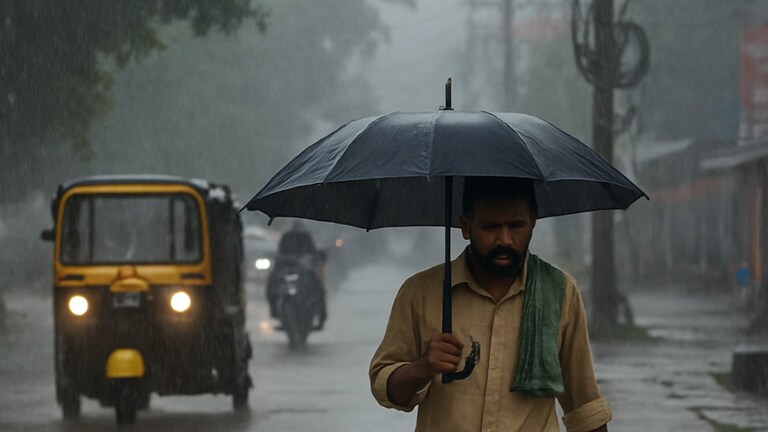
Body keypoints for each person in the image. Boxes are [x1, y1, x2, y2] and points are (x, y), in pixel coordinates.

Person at [369, 177, 611, 432]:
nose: (505, 239)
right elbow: (384, 384)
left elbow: (585, 407)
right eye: (490, 227)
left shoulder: (560, 292)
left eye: (516, 225)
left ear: (533, 221)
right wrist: (423, 367)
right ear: (465, 226)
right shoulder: (420, 293)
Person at [267, 221, 328, 329]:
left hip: (304, 271)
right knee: (272, 284)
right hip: (287, 270)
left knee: (318, 287)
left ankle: (321, 315)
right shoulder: (288, 238)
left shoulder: (303, 238)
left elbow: (314, 254)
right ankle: (274, 311)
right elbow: (279, 253)